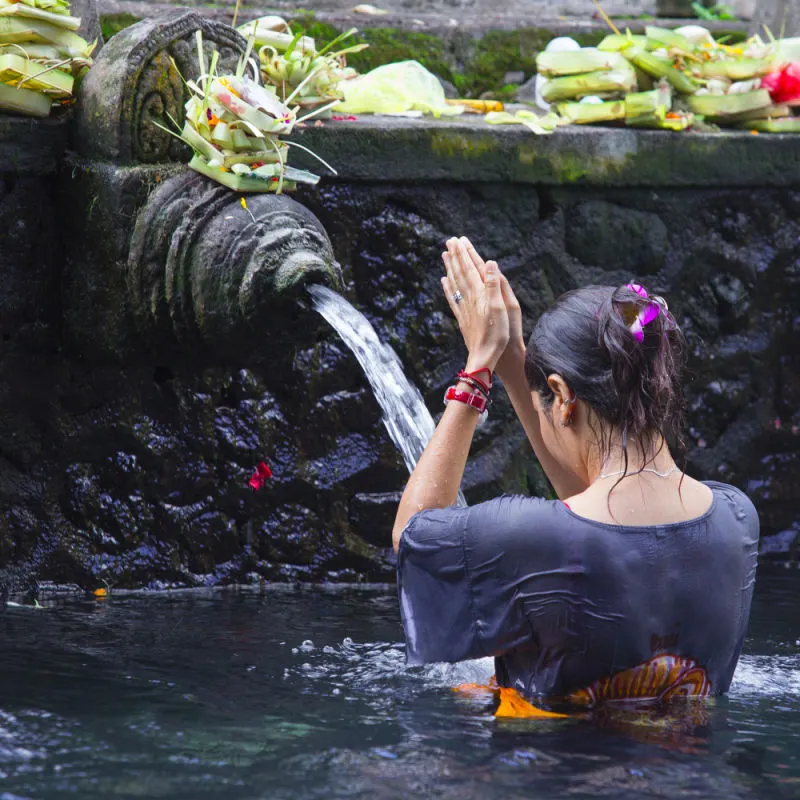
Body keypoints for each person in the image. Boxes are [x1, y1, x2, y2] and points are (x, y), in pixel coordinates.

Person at [392, 237, 760, 706]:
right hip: (697, 776)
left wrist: (479, 368)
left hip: (553, 778)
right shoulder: (737, 519)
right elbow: (597, 516)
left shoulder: (530, 536)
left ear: (562, 397)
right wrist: (515, 366)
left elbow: (413, 536)